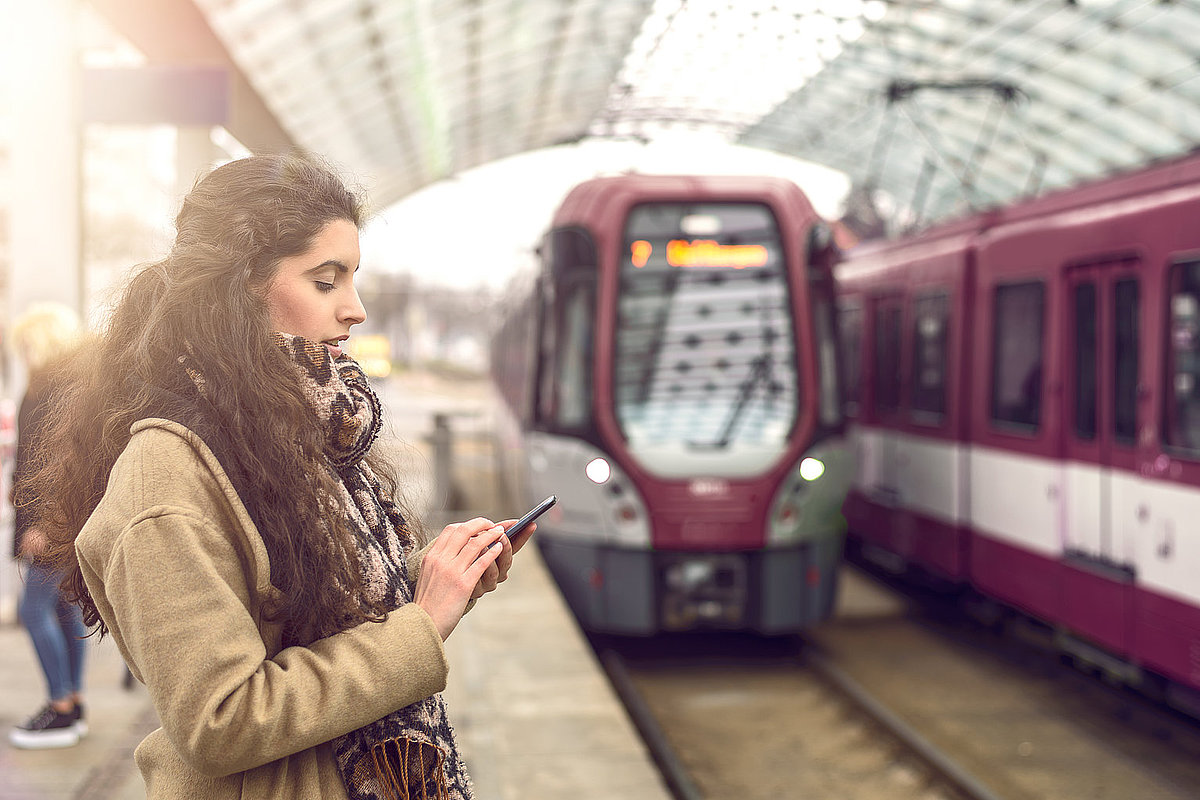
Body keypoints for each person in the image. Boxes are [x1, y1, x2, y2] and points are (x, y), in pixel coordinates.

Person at [29, 153, 533, 799]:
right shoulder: (165, 483)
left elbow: (305, 619)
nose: (354, 310)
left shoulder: (285, 438)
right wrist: (422, 625)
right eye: (326, 281)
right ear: (238, 290)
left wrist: (436, 581)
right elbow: (221, 721)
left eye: (352, 280)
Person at [8, 302, 88, 749]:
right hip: (59, 520)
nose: (21, 352)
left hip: (52, 523)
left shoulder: (52, 390)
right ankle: (72, 705)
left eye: (25, 343)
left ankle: (60, 708)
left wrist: (41, 524)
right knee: (62, 608)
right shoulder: (63, 384)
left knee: (32, 610)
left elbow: (57, 465)